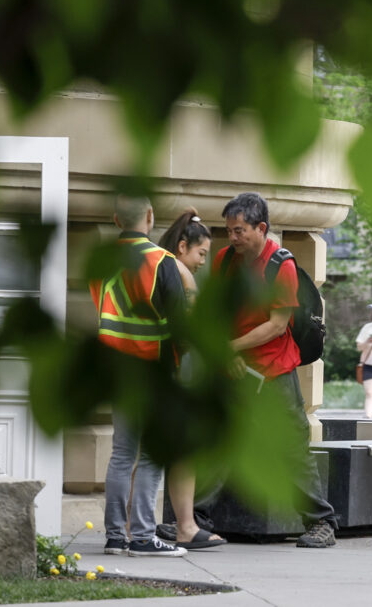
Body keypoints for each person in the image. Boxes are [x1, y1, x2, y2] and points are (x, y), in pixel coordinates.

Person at [213, 192, 339, 549]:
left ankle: (322, 523)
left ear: (261, 228)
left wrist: (231, 347)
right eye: (229, 231)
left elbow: (275, 325)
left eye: (239, 231)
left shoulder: (280, 264)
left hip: (274, 371)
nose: (233, 238)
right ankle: (198, 521)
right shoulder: (224, 261)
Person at [91, 194, 187, 557]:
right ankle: (144, 538)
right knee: (149, 457)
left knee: (121, 454)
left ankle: (115, 537)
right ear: (150, 215)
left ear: (116, 219)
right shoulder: (162, 261)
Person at [152, 208, 226, 550]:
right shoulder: (179, 271)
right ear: (183, 246)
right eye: (201, 253)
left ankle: (141, 524)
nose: (202, 262)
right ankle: (185, 525)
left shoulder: (156, 264)